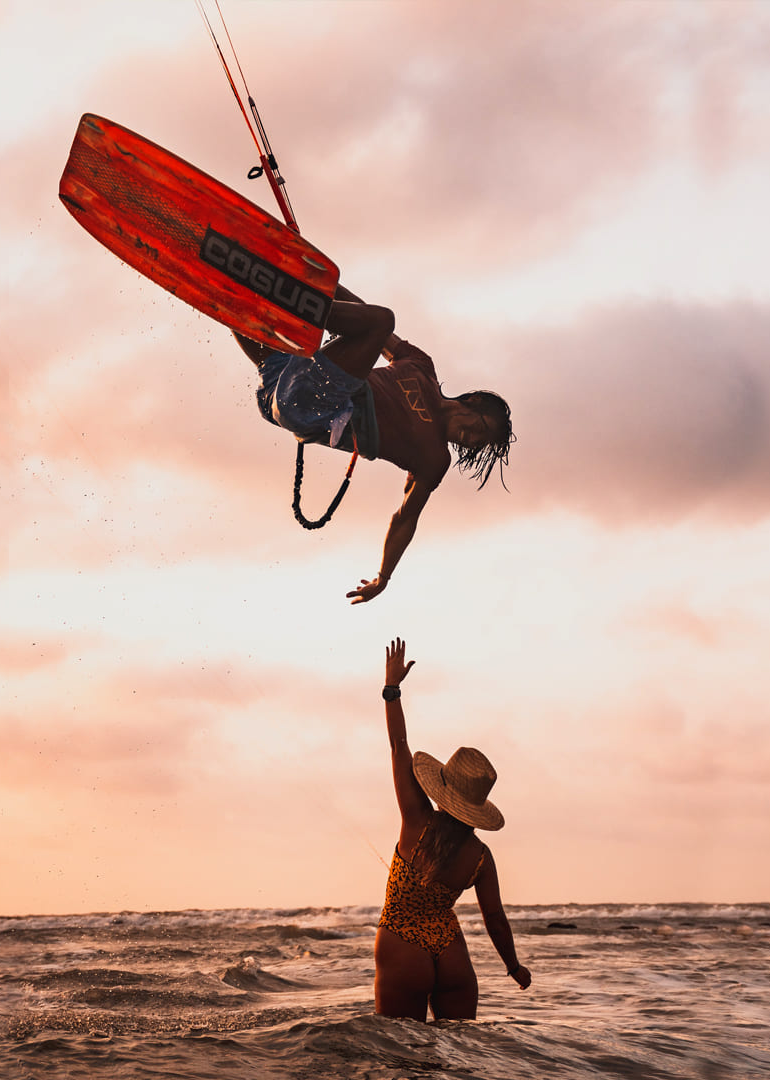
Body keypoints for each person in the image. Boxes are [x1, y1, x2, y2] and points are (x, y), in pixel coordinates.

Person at [232, 287, 513, 604]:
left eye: (479, 444)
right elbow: (362, 314)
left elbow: (405, 518)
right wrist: (326, 284)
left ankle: (286, 291)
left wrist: (383, 577)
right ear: (473, 403)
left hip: (313, 406)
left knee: (383, 320)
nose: (472, 440)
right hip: (279, 387)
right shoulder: (422, 366)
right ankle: (236, 279)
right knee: (240, 306)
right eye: (480, 430)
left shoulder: (433, 458)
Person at [373, 637, 531, 1021]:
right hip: (451, 955)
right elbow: (494, 917)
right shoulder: (480, 857)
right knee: (457, 1064)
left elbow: (399, 747)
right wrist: (513, 967)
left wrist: (392, 690)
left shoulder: (418, 820)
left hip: (402, 947)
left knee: (402, 1059)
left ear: (443, 789)